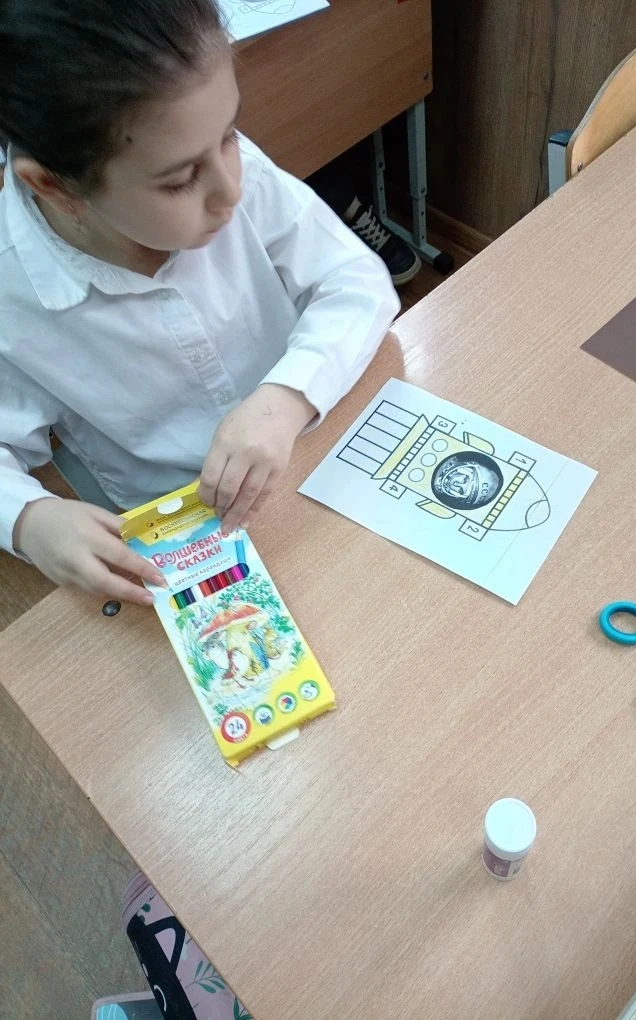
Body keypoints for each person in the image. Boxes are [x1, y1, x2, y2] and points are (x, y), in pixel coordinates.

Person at [0, 0, 399, 608]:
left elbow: (356, 281)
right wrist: (28, 518)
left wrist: (286, 398)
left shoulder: (214, 162)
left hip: (314, 440)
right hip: (189, 529)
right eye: (179, 180)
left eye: (231, 133)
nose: (231, 188)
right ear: (53, 186)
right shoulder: (12, 292)